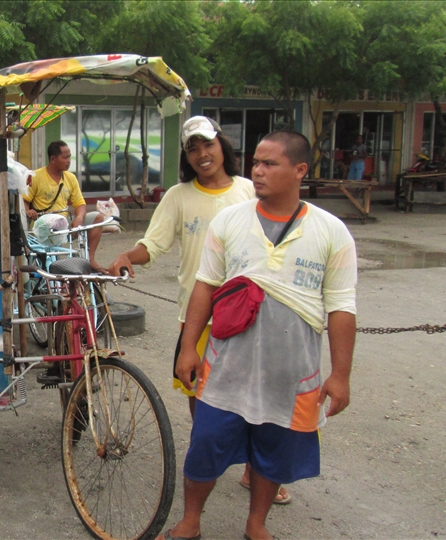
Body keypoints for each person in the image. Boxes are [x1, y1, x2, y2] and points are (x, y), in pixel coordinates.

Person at [160, 131, 357, 540]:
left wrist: (340, 374)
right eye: (256, 163)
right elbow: (205, 285)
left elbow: (341, 308)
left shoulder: (331, 231)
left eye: (270, 164)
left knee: (274, 454)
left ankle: (256, 524)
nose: (258, 171)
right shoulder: (230, 221)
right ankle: (190, 520)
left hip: (291, 373)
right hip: (226, 367)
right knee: (206, 445)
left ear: (300, 170)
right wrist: (188, 348)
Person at [108, 116, 290, 504]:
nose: (202, 154)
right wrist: (128, 255)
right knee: (202, 400)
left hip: (253, 313)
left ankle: (254, 470)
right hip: (198, 317)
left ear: (222, 146)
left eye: (207, 144)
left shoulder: (249, 190)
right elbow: (153, 245)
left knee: (255, 396)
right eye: (193, 148)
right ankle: (207, 464)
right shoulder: (178, 196)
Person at [23, 140, 104, 271]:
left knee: (97, 218)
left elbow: (80, 204)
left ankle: (90, 259)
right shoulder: (36, 176)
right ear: (53, 159)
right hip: (45, 228)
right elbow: (24, 200)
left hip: (66, 225)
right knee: (61, 268)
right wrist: (28, 210)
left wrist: (79, 218)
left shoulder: (70, 178)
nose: (69, 161)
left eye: (69, 157)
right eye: (65, 157)